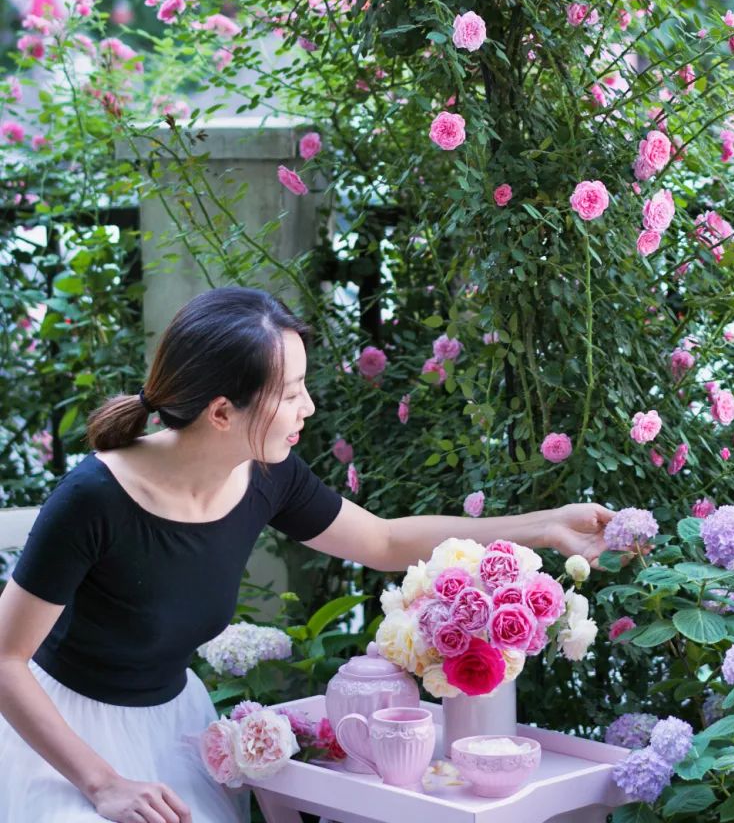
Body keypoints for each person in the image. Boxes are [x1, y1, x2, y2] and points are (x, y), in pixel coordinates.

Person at [0, 286, 614, 822]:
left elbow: (382, 542)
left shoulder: (266, 474)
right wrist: (102, 784)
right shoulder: (93, 498)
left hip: (171, 725)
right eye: (291, 393)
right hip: (63, 739)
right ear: (222, 412)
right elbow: (5, 658)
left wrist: (546, 526)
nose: (309, 407)